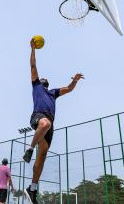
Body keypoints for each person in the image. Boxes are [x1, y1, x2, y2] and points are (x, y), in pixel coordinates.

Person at [23, 39, 84, 203]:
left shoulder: (53, 93)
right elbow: (33, 66)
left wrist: (75, 81)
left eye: (44, 78)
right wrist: (33, 49)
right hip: (38, 116)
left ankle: (32, 188)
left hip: (49, 125)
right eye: (42, 77)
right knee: (45, 124)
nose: (42, 78)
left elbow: (69, 89)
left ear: (47, 84)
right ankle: (29, 149)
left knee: (42, 156)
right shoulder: (36, 86)